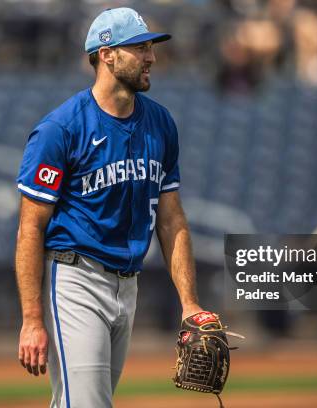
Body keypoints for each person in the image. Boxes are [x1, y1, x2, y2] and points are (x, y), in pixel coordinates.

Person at [14, 8, 205, 407]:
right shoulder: (61, 129)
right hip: (74, 280)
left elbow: (171, 220)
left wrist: (189, 304)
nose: (151, 56)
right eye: (139, 47)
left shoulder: (161, 123)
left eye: (150, 46)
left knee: (78, 402)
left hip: (128, 285)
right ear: (107, 54)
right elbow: (30, 228)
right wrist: (32, 320)